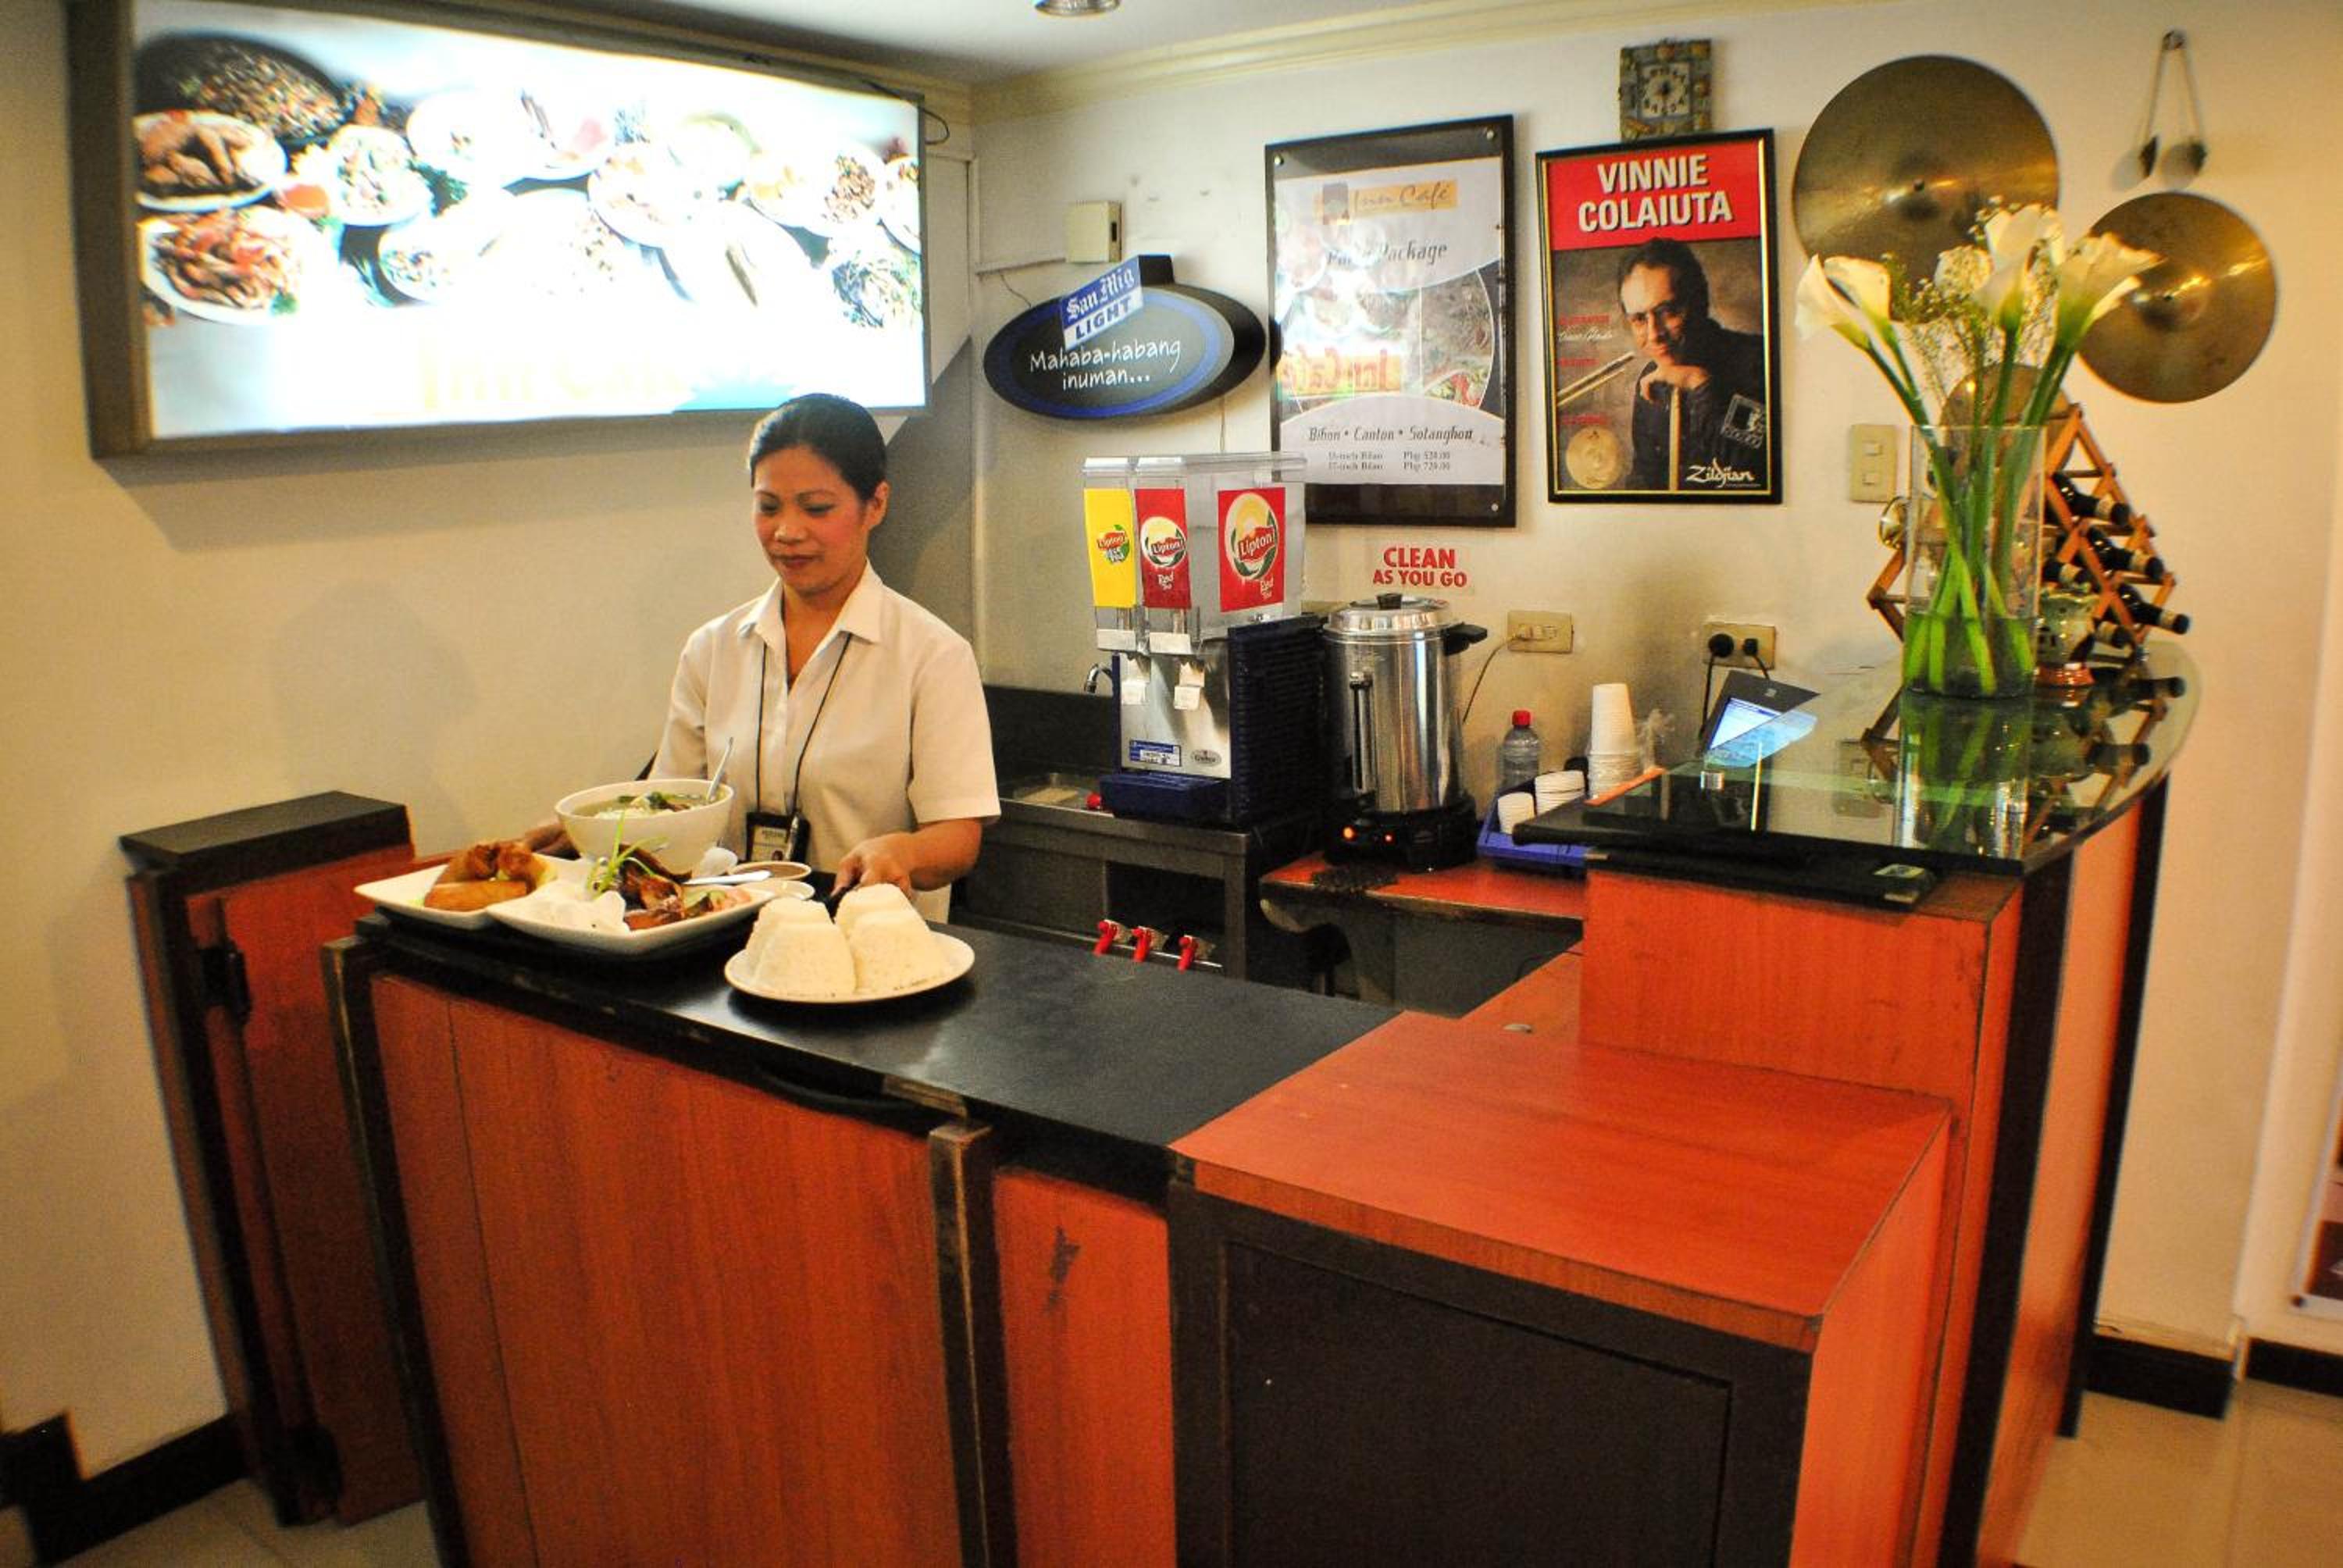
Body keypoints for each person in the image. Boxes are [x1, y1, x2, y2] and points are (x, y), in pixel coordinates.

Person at [644, 393, 997, 919]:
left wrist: (903, 851)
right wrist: (592, 833)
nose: (787, 532)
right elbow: (670, 810)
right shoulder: (712, 649)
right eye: (768, 507)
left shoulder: (932, 654)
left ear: (875, 504)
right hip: (729, 935)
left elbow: (958, 837)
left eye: (816, 509)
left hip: (871, 936)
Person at [1615, 238, 1769, 492]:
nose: (1654, 335)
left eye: (1667, 312)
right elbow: (1645, 477)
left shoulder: (1757, 359)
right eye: (1640, 319)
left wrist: (1699, 384)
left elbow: (1752, 466)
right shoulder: (1650, 379)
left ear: (1699, 303)